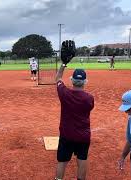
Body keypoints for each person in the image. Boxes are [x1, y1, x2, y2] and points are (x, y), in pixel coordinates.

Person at [55, 40, 94, 180]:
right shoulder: (89, 98)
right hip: (83, 135)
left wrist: (64, 63)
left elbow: (58, 78)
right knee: (82, 159)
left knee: (62, 161)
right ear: (85, 81)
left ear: (72, 81)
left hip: (66, 134)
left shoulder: (64, 93)